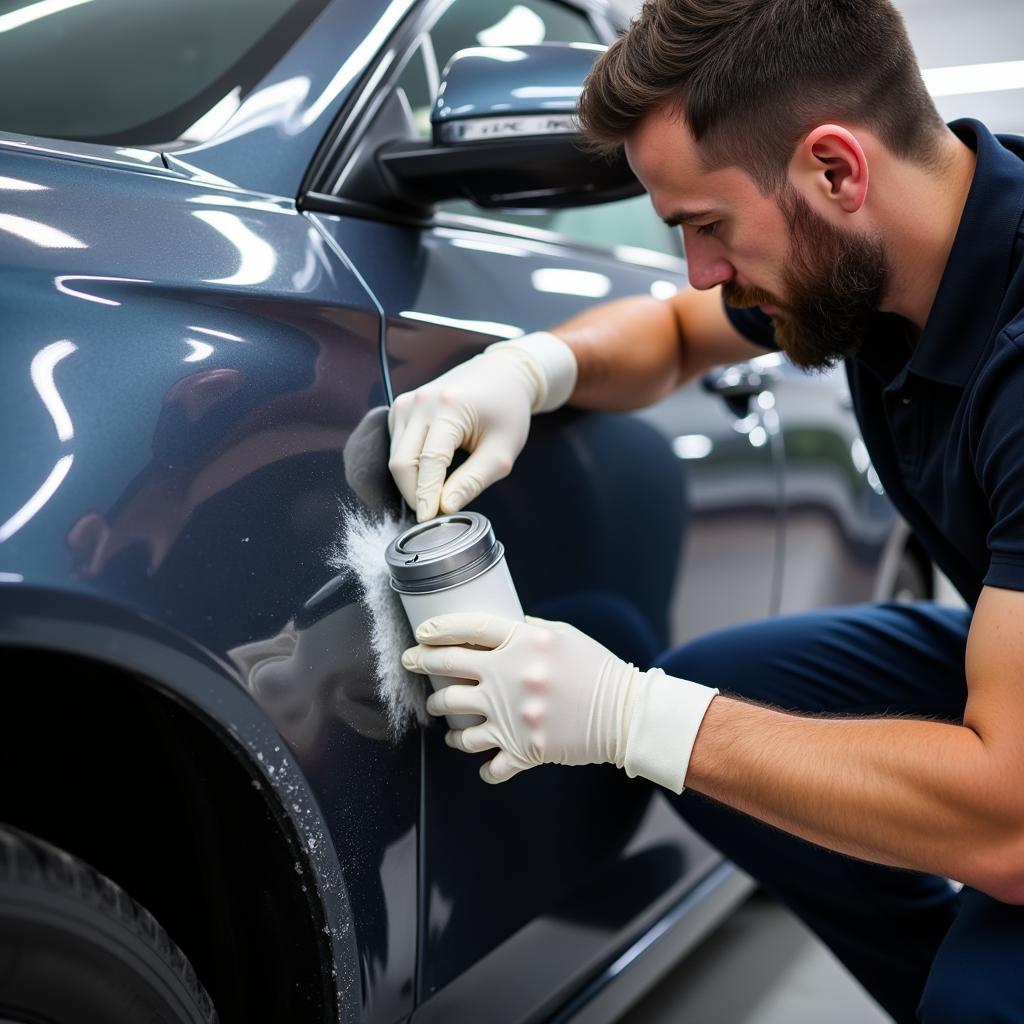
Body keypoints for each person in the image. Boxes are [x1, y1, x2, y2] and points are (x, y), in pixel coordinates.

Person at [388, 2, 1024, 1020]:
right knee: (723, 694)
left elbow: (1009, 828)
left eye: (706, 225)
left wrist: (633, 718)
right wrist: (528, 370)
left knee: (980, 992)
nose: (700, 269)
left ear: (835, 170)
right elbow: (677, 334)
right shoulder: (874, 257)